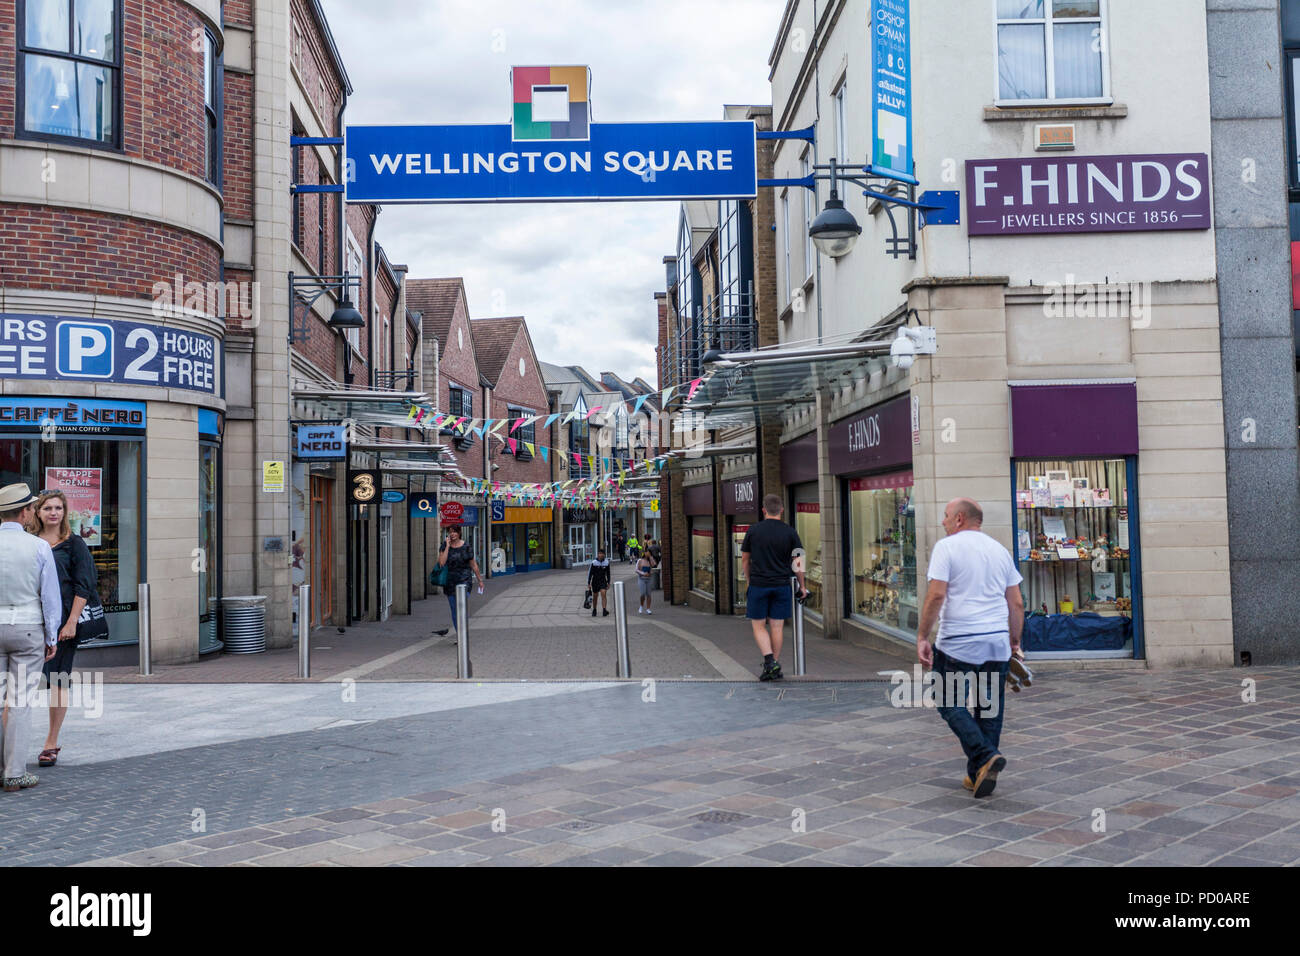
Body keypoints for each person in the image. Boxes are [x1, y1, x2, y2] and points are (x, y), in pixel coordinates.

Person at [916, 498, 1025, 799]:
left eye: (946, 516)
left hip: (958, 642)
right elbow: (1016, 602)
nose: (943, 522)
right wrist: (1014, 641)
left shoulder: (947, 547)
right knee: (988, 709)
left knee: (947, 702)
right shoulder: (999, 551)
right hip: (996, 642)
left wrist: (923, 635)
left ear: (960, 518)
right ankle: (977, 773)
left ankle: (984, 754)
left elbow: (936, 596)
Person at [27, 491, 98, 768]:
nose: (53, 512)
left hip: (63, 625)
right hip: (29, 621)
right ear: (37, 512)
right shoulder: (28, 542)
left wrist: (70, 623)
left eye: (58, 508)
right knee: (20, 681)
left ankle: (50, 742)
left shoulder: (74, 544)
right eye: (47, 508)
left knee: (58, 679)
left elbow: (84, 585)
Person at [0, 484, 61, 792]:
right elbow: (50, 598)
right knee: (20, 701)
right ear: (25, 513)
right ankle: (13, 772)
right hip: (27, 628)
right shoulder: (38, 547)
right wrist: (52, 636)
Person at [740, 494, 807, 681]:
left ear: (763, 510)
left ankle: (769, 662)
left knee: (759, 626)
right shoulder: (791, 532)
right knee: (777, 627)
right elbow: (798, 561)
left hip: (759, 584)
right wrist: (802, 585)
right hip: (782, 585)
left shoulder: (753, 531)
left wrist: (748, 580)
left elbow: (745, 559)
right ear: (782, 510)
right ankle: (774, 665)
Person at [436, 527, 484, 634]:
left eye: (454, 532)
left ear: (459, 533)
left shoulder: (466, 546)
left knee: (462, 608)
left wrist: (480, 580)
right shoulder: (444, 546)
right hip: (450, 582)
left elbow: (473, 565)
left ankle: (463, 633)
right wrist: (447, 546)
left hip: (464, 581)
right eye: (450, 532)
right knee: (454, 610)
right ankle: (460, 634)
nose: (452, 534)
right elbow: (441, 563)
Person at [587, 550, 611, 617]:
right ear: (597, 555)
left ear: (604, 555)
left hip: (603, 581)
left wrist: (608, 582)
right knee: (595, 596)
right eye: (599, 554)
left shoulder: (606, 562)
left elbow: (608, 573)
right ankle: (594, 610)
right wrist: (588, 583)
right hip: (595, 581)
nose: (600, 555)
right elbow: (590, 573)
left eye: (601, 554)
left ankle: (604, 610)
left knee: (603, 593)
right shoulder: (594, 562)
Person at [635, 548, 654, 614]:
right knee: (642, 594)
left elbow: (654, 565)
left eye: (649, 553)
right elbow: (636, 570)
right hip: (642, 579)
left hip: (649, 579)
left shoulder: (650, 560)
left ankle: (648, 609)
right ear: (644, 553)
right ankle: (641, 606)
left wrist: (650, 557)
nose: (647, 554)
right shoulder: (640, 560)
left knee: (649, 594)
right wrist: (643, 573)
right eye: (647, 553)